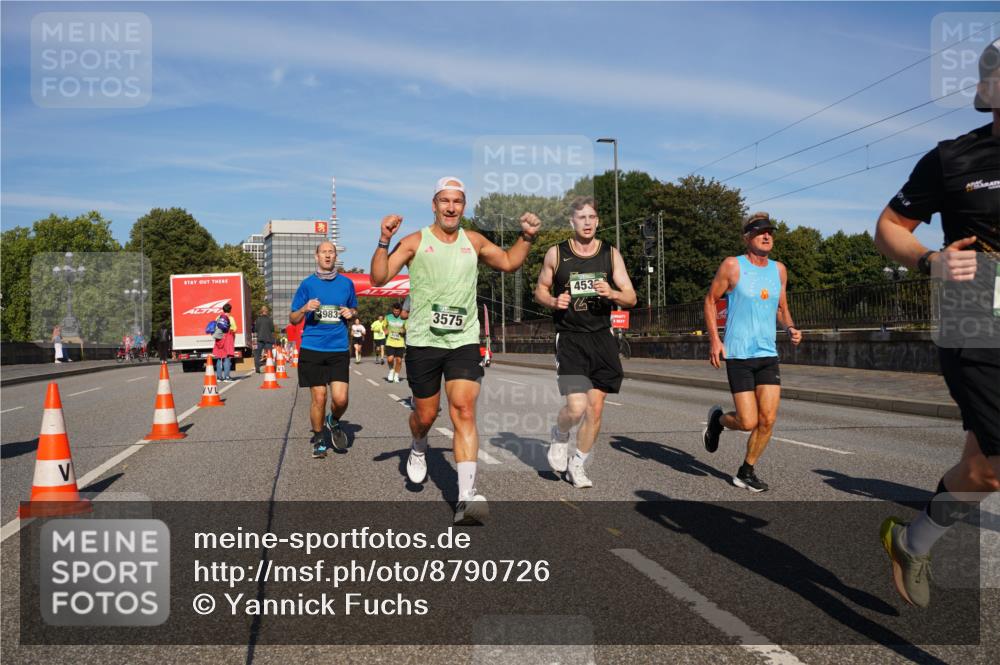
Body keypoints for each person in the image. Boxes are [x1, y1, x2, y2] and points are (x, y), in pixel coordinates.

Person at [873, 40, 1000, 609]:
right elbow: (888, 227)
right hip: (976, 321)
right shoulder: (953, 159)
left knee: (982, 471)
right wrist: (931, 260)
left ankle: (912, 541)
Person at [370, 176, 541, 524]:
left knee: (463, 409)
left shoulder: (473, 241)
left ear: (464, 206)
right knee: (426, 415)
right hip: (423, 342)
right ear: (434, 205)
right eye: (445, 201)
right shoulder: (415, 241)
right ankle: (419, 447)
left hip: (463, 339)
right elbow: (378, 278)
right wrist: (384, 240)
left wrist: (527, 237)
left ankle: (466, 497)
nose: (451, 207)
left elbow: (509, 262)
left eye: (457, 202)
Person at [534, 196, 637, 488]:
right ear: (572, 222)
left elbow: (631, 296)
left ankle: (577, 464)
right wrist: (554, 300)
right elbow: (539, 289)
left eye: (592, 217)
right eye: (582, 218)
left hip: (602, 338)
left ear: (598, 221)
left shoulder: (610, 254)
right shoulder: (556, 253)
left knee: (595, 408)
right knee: (576, 407)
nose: (588, 222)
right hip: (570, 338)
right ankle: (560, 433)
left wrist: (613, 294)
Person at [702, 212, 802, 493]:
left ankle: (746, 471)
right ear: (747, 237)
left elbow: (781, 308)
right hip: (739, 354)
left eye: (770, 231)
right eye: (760, 232)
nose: (767, 235)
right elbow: (711, 300)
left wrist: (790, 328)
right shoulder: (733, 266)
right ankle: (718, 421)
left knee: (768, 419)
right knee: (747, 421)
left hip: (767, 354)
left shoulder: (779, 270)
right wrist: (714, 340)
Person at [291, 240, 358, 459]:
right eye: (324, 252)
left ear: (335, 257)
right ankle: (319, 438)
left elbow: (354, 308)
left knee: (340, 399)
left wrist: (351, 312)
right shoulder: (307, 284)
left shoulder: (347, 283)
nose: (328, 256)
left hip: (338, 348)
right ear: (316, 256)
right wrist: (304, 308)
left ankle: (334, 420)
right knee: (319, 397)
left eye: (332, 252)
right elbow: (293, 319)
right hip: (312, 348)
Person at [212, 304, 236, 382]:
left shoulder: (218, 317)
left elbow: (215, 327)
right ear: (230, 310)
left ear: (223, 309)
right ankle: (227, 377)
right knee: (227, 357)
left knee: (219, 358)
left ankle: (219, 377)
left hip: (219, 339)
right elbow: (234, 329)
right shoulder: (230, 318)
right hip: (227, 339)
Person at [384, 302, 407, 383]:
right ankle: (391, 370)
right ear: (392, 310)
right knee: (390, 359)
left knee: (399, 360)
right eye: (394, 311)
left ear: (400, 311)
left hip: (400, 342)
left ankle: (396, 375)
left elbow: (406, 328)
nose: (396, 313)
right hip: (390, 341)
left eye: (397, 311)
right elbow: (384, 326)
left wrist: (403, 330)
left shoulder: (403, 318)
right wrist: (385, 330)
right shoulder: (388, 317)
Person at [253, 305, 275, 373]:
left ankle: (257, 369)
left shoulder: (258, 319)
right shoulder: (270, 319)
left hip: (260, 339)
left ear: (261, 312)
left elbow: (255, 329)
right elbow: (272, 329)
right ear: (267, 312)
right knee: (269, 354)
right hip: (268, 339)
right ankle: (270, 368)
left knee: (257, 354)